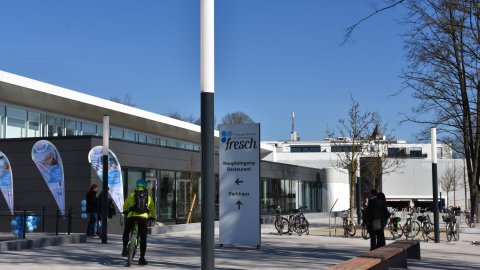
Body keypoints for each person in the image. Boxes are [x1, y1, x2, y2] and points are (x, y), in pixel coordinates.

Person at [122, 178, 156, 265]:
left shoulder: (131, 195)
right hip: (143, 218)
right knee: (143, 238)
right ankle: (142, 258)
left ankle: (124, 248)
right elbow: (152, 209)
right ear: (145, 186)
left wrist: (125, 211)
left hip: (132, 217)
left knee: (126, 232)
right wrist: (153, 217)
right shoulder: (149, 197)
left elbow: (125, 205)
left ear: (137, 186)